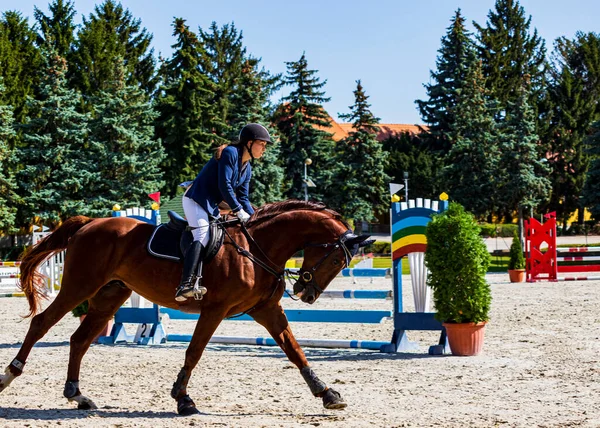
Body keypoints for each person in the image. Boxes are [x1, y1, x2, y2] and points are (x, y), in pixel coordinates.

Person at [175, 123, 272, 301]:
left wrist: (254, 218)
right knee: (202, 234)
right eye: (262, 144)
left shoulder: (247, 167)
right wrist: (237, 210)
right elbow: (224, 185)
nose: (264, 149)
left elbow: (243, 197)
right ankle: (185, 284)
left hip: (211, 204)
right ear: (249, 143)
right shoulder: (231, 153)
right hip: (196, 198)